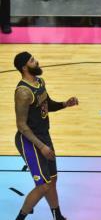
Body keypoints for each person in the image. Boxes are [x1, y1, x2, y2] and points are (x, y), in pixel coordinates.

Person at [13, 52, 79, 220]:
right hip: (29, 139)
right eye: (32, 60)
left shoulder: (39, 82)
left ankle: (57, 216)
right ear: (24, 67)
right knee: (43, 185)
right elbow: (21, 125)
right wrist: (41, 146)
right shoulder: (23, 92)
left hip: (43, 136)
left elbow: (47, 105)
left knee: (53, 180)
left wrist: (65, 104)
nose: (37, 61)